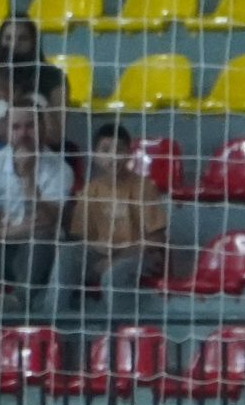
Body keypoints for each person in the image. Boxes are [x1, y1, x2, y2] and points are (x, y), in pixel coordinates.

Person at [0, 98, 73, 306]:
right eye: (16, 127)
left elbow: (49, 222)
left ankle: (17, 302)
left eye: (30, 126)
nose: (23, 133)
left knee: (42, 240)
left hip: (39, 250)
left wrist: (28, 179)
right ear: (7, 131)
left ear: (42, 127)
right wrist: (22, 229)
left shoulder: (60, 169)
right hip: (0, 247)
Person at [60, 123, 170, 312]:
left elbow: (156, 239)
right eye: (105, 150)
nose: (113, 157)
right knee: (68, 254)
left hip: (139, 255)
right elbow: (80, 236)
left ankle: (117, 331)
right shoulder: (91, 189)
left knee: (113, 274)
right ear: (94, 155)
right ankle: (53, 317)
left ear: (129, 154)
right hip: (101, 255)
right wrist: (97, 250)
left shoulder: (144, 187)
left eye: (119, 150)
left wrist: (115, 258)